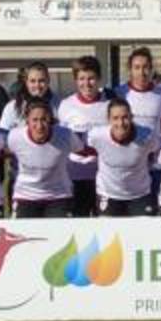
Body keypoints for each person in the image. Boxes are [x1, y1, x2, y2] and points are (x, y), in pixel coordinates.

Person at [56, 56, 112, 218]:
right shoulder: (66, 106)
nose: (86, 84)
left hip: (103, 178)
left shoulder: (109, 105)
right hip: (74, 176)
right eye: (81, 79)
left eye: (91, 78)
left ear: (99, 79)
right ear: (75, 80)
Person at [6, 100, 82, 218]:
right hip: (25, 196)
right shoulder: (15, 137)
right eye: (35, 120)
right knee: (23, 234)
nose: (40, 126)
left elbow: (82, 149)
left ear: (50, 120)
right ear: (27, 121)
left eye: (44, 119)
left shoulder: (65, 135)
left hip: (58, 195)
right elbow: (1, 153)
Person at [89, 98, 161, 217]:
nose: (121, 123)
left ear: (131, 117)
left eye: (125, 117)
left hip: (140, 194)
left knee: (145, 233)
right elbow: (80, 148)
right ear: (108, 120)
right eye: (115, 118)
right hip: (108, 194)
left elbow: (157, 151)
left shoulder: (147, 135)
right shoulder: (97, 136)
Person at [118, 47, 161, 147]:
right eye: (137, 67)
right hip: (129, 154)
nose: (141, 72)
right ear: (130, 70)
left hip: (155, 157)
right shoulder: (120, 93)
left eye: (145, 67)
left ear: (151, 69)